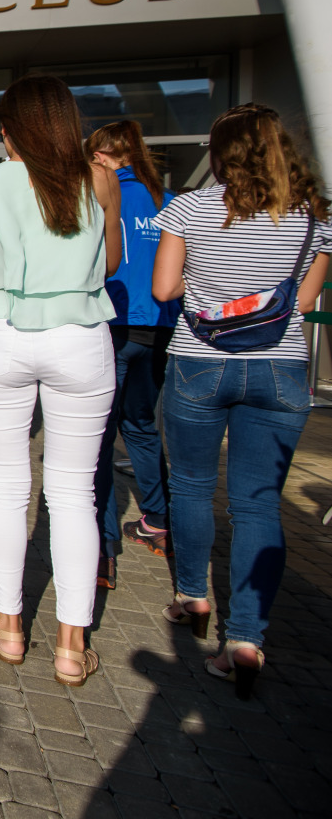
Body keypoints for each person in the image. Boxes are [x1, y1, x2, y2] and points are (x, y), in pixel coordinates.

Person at [0, 75, 121, 687]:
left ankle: (9, 625)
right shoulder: (99, 179)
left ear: (8, 131)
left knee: (4, 485)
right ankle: (72, 646)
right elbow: (112, 263)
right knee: (74, 491)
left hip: (2, 335)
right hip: (80, 335)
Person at [150, 104, 331, 700]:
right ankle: (246, 640)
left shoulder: (193, 207)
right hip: (280, 366)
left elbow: (165, 288)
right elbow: (302, 302)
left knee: (195, 486)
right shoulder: (313, 217)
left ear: (222, 153)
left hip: (200, 358)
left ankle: (193, 597)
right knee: (257, 506)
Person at [87, 121, 180, 590]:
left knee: (100, 438)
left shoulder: (108, 196)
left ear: (103, 155)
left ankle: (102, 551)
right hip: (158, 328)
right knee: (143, 428)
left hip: (117, 326)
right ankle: (158, 522)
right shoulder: (164, 198)